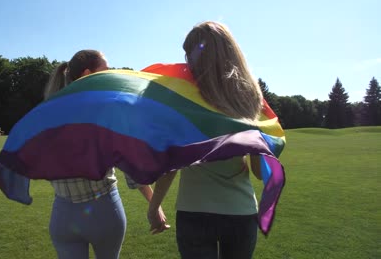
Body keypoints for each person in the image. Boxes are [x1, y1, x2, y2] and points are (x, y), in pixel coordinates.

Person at [147, 21, 264, 259]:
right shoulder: (250, 96)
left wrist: (153, 206)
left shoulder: (183, 98)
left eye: (189, 54)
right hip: (240, 211)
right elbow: (259, 171)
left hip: (194, 211)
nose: (187, 61)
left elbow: (173, 162)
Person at [45, 50, 168, 259]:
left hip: (63, 214)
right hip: (104, 211)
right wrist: (153, 205)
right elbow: (130, 166)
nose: (110, 73)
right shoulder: (109, 112)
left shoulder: (49, 113)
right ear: (87, 74)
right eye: (106, 69)